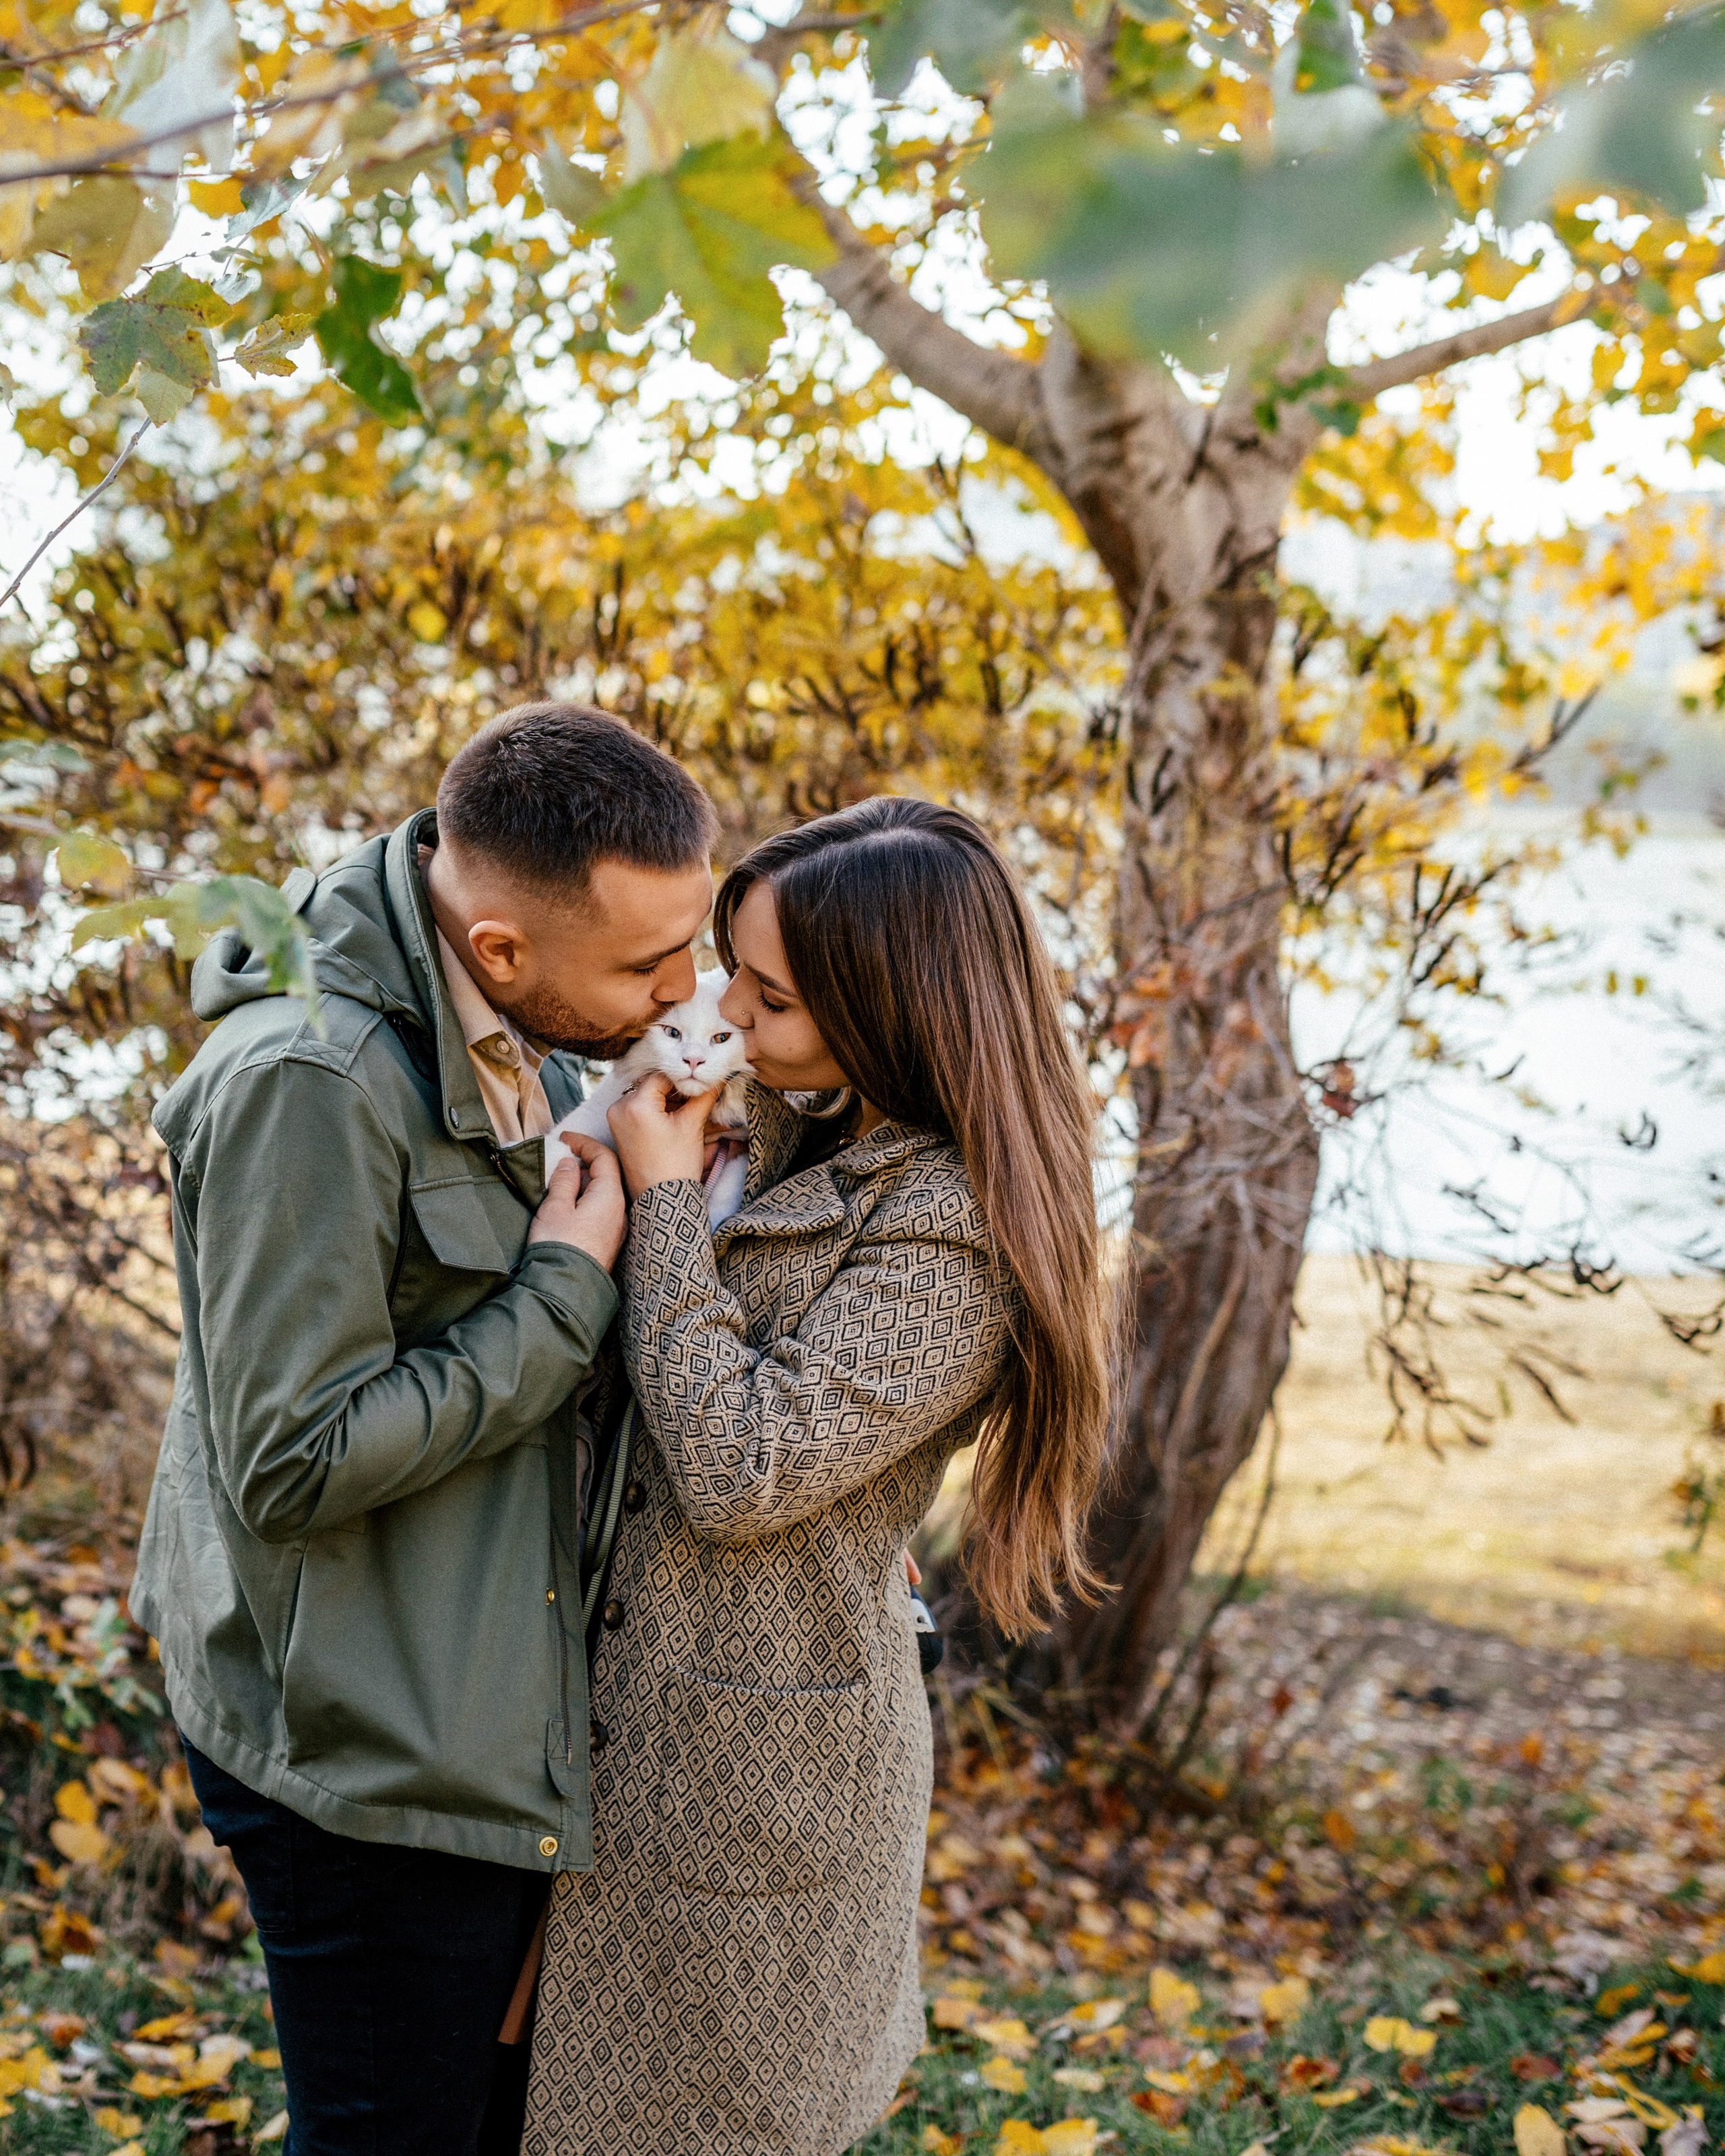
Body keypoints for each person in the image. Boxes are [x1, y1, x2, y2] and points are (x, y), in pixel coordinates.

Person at [129, 703, 718, 2156]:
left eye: (693, 942)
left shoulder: (492, 993)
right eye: (647, 964)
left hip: (473, 1691)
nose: (683, 989)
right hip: (368, 1743)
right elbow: (294, 1462)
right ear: (501, 948)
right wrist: (561, 1291)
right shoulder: (310, 1085)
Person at [524, 796, 1115, 2156]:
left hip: (756, 1775)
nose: (722, 1006)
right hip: (606, 1729)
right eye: (732, 964)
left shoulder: (952, 1233)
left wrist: (670, 1201)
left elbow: (742, 1466)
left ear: (889, 1009)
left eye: (767, 992)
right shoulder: (808, 1122)